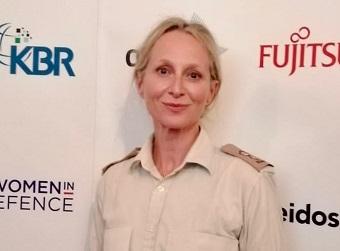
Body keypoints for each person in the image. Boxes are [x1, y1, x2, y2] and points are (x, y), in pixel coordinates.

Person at [87, 17, 284, 251]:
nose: (177, 89)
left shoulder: (249, 185)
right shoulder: (112, 183)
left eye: (193, 75)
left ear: (212, 91)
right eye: (163, 71)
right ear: (140, 83)